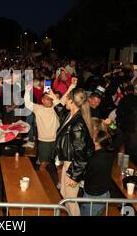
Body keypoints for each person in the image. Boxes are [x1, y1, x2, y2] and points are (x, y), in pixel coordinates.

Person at [51, 87, 94, 216]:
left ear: (71, 102)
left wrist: (75, 176)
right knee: (65, 194)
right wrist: (55, 99)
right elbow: (62, 114)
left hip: (73, 165)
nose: (65, 102)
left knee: (70, 200)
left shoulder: (77, 124)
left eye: (67, 99)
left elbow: (81, 153)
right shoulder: (71, 115)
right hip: (68, 162)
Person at [81, 130, 114, 216]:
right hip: (105, 193)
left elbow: (87, 175)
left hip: (93, 197)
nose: (91, 138)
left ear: (97, 143)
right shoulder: (110, 153)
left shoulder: (94, 159)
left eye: (94, 137)